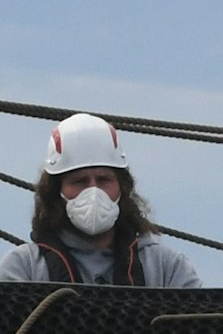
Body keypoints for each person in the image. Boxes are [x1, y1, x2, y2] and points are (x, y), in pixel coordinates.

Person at [0, 114, 201, 289]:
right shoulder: (23, 268)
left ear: (122, 187)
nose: (93, 192)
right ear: (56, 191)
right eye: (79, 182)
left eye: (104, 180)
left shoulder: (167, 268)